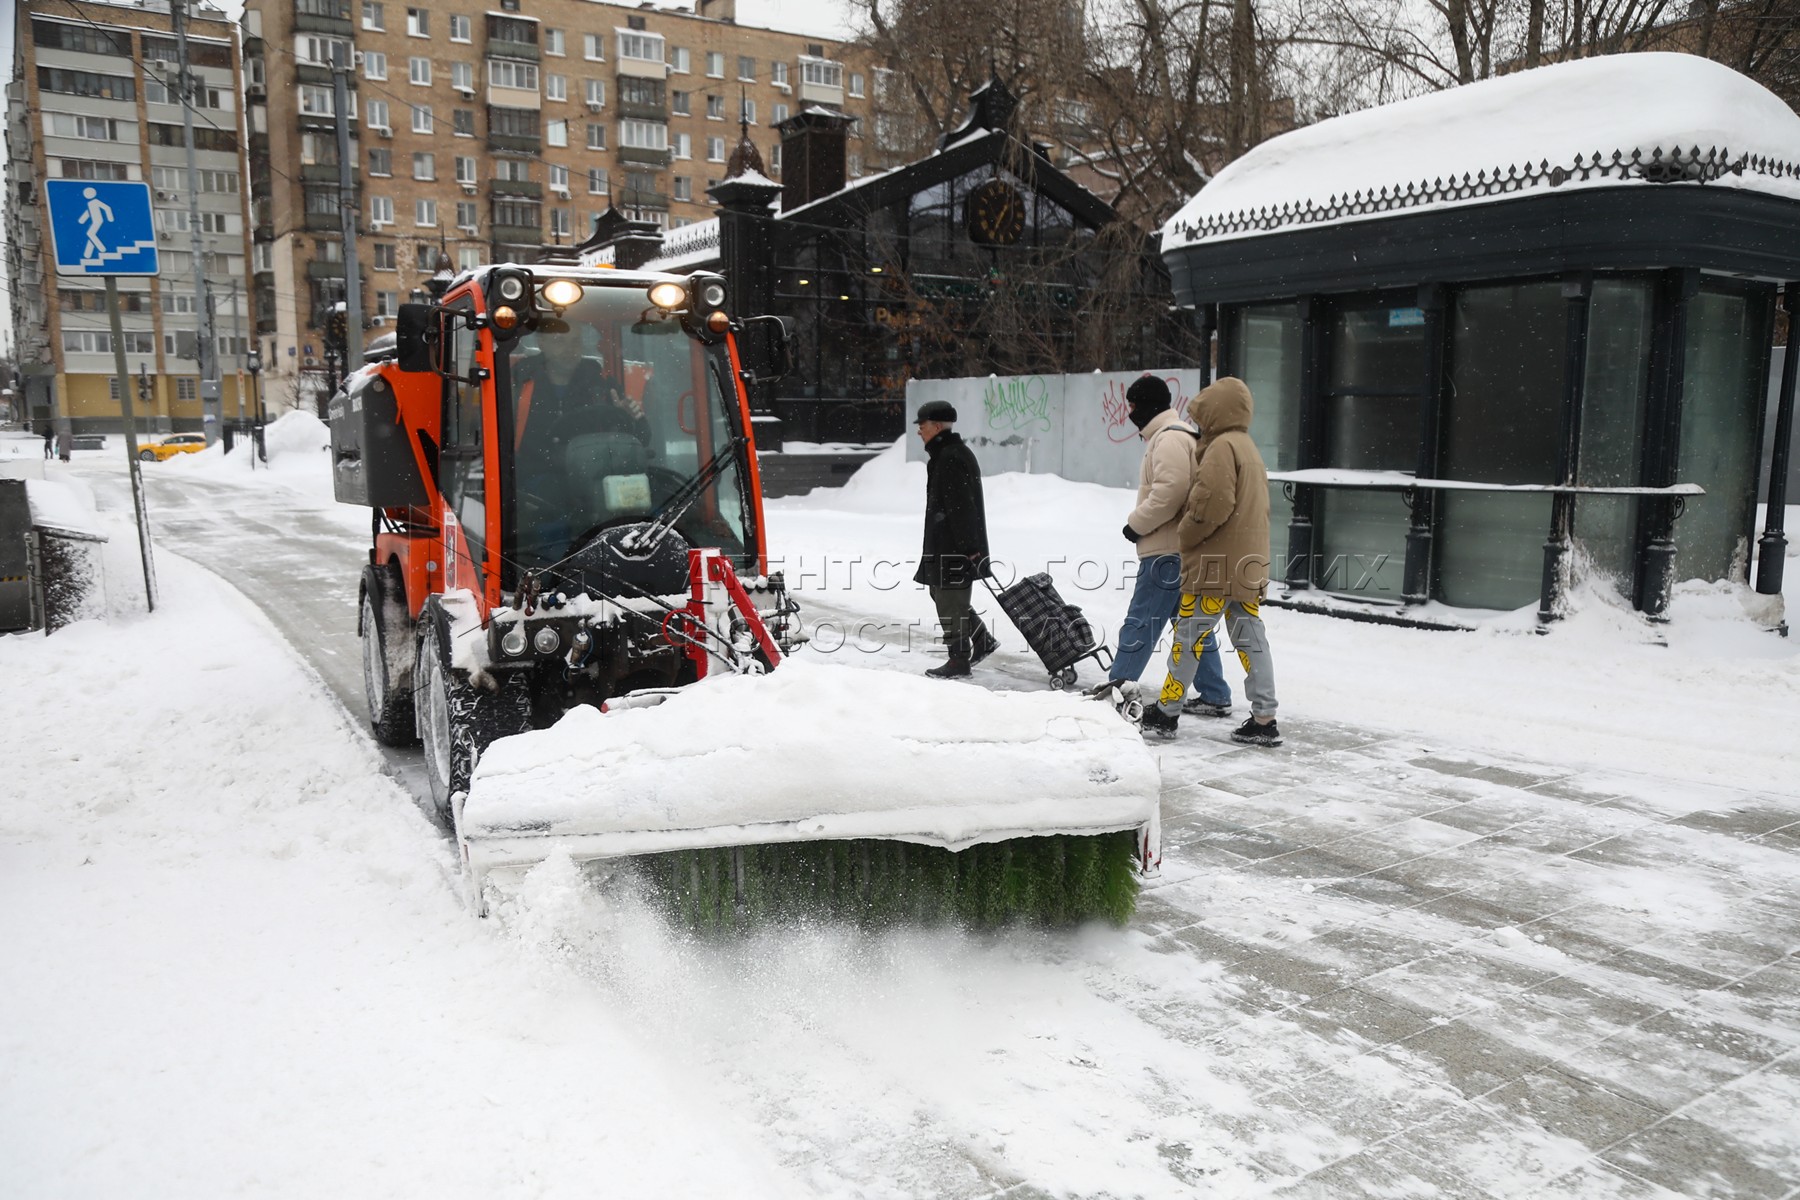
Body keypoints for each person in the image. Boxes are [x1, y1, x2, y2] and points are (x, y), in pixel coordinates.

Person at [1142, 377, 1283, 747]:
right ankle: (1264, 717)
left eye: (1202, 415)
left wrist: (1186, 534)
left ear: (1216, 412)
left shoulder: (1221, 447)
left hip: (1215, 565)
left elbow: (1212, 506)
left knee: (1188, 636)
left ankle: (1166, 712)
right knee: (1251, 638)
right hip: (1246, 562)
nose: (1199, 422)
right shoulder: (1248, 447)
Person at [1100, 376, 1232, 718]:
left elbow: (1170, 492)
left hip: (1166, 551)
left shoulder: (1169, 438)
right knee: (1189, 626)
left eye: (1133, 405)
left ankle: (1116, 690)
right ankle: (1214, 693)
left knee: (1141, 621)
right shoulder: (1176, 435)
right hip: (1179, 549)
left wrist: (1136, 524)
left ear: (1148, 405)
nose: (1129, 413)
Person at [913, 399, 998, 679]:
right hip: (946, 542)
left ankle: (958, 659)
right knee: (941, 593)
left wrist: (970, 548)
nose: (919, 431)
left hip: (954, 546)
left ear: (937, 427)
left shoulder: (950, 457)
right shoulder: (948, 454)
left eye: (922, 425)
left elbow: (961, 508)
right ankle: (981, 639)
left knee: (949, 600)